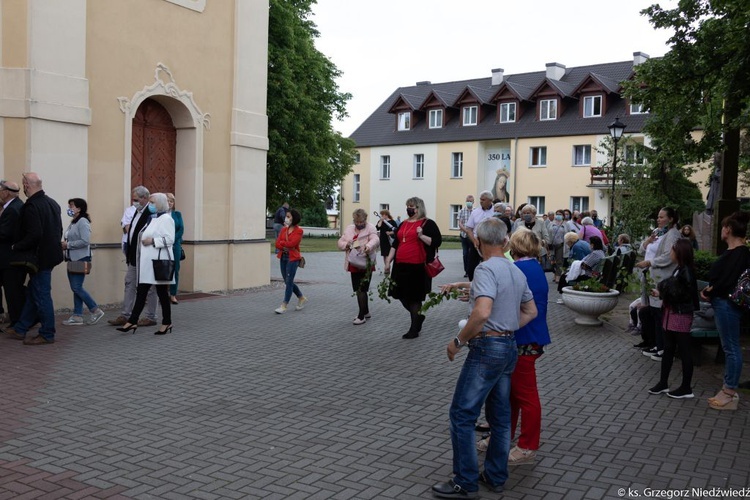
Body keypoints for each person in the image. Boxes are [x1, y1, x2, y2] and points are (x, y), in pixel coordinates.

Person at [432, 218, 537, 498]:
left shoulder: (485, 269)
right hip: (508, 348)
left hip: (487, 349)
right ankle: (495, 475)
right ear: (504, 242)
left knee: (462, 414)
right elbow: (531, 311)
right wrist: (508, 327)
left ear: (477, 242)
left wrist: (458, 341)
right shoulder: (515, 271)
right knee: (500, 418)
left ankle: (464, 482)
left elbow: (482, 313)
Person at [507, 228, 550, 465]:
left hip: (524, 338)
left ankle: (527, 445)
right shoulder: (533, 266)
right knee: (511, 394)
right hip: (528, 337)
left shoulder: (520, 269)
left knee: (525, 396)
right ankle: (504, 437)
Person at [701, 211, 750, 410]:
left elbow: (727, 281)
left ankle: (729, 392)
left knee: (731, 348)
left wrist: (710, 290)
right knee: (730, 347)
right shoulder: (736, 252)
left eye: (723, 227)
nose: (722, 230)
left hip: (727, 305)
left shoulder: (740, 253)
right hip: (723, 303)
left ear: (728, 230)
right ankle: (726, 390)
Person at [8, 172, 64, 345]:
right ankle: (21, 328)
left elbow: (34, 234)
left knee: (41, 295)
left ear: (26, 185)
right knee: (34, 292)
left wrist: (16, 246)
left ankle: (47, 333)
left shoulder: (32, 206)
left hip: (38, 259)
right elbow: (58, 231)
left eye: (23, 184)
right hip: (50, 256)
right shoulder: (52, 203)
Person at [115, 193, 175, 335]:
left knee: (161, 294)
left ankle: (166, 322)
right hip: (148, 264)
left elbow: (169, 239)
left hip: (157, 263)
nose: (151, 205)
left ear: (160, 203)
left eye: (153, 202)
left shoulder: (166, 219)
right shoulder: (153, 218)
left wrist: (152, 241)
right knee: (142, 292)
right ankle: (133, 321)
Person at [384, 196, 442, 339]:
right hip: (400, 265)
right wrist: (388, 262)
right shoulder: (403, 224)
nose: (409, 209)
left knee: (414, 298)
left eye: (412, 206)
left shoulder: (427, 223)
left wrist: (421, 235)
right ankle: (418, 316)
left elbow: (436, 242)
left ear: (419, 208)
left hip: (417, 267)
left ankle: (414, 329)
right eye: (408, 206)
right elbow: (395, 244)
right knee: (400, 295)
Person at [647, 238, 699, 399]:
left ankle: (686, 388)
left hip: (681, 315)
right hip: (672, 313)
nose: (670, 253)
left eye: (672, 250)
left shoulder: (686, 271)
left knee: (684, 350)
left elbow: (683, 294)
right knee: (669, 349)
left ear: (679, 252)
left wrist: (663, 293)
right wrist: (661, 293)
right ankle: (663, 383)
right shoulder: (680, 269)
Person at [635, 208, 681, 361]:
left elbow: (668, 257)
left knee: (659, 313)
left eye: (661, 217)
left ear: (671, 219)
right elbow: (643, 248)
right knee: (653, 312)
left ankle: (662, 348)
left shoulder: (673, 235)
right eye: (658, 217)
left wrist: (650, 262)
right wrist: (647, 242)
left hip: (663, 278)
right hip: (652, 275)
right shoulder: (659, 232)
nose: (658, 219)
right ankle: (656, 344)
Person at [109, 186, 158, 327]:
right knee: (129, 283)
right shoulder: (136, 211)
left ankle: (151, 316)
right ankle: (126, 314)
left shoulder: (151, 212)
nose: (134, 202)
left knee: (150, 288)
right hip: (133, 257)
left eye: (136, 199)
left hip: (146, 257)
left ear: (144, 198)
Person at [61, 198, 105, 326]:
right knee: (76, 288)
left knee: (76, 287)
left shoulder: (83, 221)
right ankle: (77, 315)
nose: (69, 208)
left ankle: (95, 310)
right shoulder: (74, 222)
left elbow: (85, 241)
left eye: (72, 206)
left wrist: (67, 245)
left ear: (79, 208)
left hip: (80, 258)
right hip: (72, 258)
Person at [338, 209, 379, 325]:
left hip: (366, 263)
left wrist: (368, 246)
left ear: (365, 220)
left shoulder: (371, 228)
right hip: (354, 262)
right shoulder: (349, 229)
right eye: (357, 221)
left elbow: (375, 239)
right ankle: (365, 311)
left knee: (362, 289)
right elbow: (340, 242)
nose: (360, 224)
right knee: (358, 289)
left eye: (362, 221)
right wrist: (347, 245)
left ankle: (361, 316)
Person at [0, 181, 27, 330]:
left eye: (0, 190)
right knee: (14, 291)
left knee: (13, 293)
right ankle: (18, 320)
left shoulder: (12, 209)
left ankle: (18, 322)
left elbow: (5, 233)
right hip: (11, 258)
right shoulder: (16, 205)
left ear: (6, 192)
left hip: (9, 259)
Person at [274, 208, 307, 314]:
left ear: (294, 218)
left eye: (288, 216)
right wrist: (283, 244)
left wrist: (283, 244)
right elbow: (277, 243)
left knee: (289, 281)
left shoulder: (299, 231)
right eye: (286, 216)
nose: (286, 218)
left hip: (293, 258)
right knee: (287, 280)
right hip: (283, 256)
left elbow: (292, 244)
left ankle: (284, 305)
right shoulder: (284, 229)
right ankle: (301, 297)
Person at [464, 191, 494, 281]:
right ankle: (472, 283)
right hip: (476, 242)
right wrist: (474, 240)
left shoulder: (495, 211)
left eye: (483, 200)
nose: (481, 201)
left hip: (490, 243)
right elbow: (469, 229)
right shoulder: (475, 212)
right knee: (471, 267)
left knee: (488, 265)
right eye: (480, 199)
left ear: (490, 200)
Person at [167, 193, 184, 305]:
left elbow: (181, 229)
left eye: (171, 201)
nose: (169, 203)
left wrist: (172, 240)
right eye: (167, 201)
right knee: (161, 269)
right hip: (162, 246)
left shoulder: (177, 214)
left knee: (175, 270)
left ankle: (173, 294)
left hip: (175, 245)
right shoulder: (158, 215)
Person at [457, 196, 474, 278]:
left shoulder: (475, 211)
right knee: (465, 253)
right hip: (464, 235)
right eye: (467, 201)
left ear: (473, 202)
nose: (469, 202)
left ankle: (471, 269)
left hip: (472, 236)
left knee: (472, 253)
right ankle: (466, 271)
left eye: (470, 201)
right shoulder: (461, 211)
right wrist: (466, 230)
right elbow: (460, 223)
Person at [548, 210, 566, 283]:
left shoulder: (565, 224)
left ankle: (558, 276)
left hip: (561, 245)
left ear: (563, 216)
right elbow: (547, 233)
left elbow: (568, 235)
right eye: (557, 214)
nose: (558, 215)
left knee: (559, 261)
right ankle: (554, 274)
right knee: (551, 261)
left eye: (560, 214)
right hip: (551, 245)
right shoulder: (551, 224)